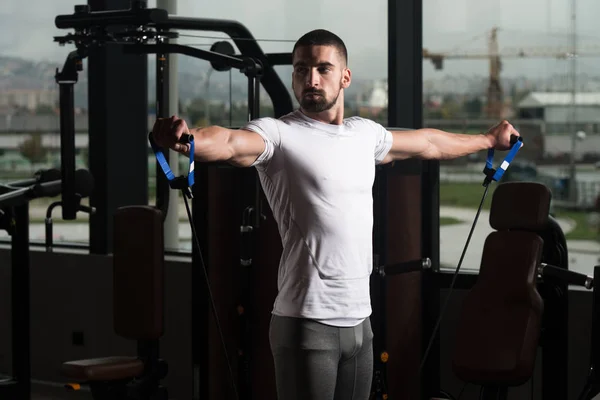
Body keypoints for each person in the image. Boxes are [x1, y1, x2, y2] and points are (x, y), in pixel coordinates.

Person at [151, 29, 520, 400]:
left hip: (361, 325)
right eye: (301, 69)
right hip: (307, 323)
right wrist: (187, 140)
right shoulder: (278, 135)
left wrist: (487, 140)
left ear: (345, 76)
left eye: (323, 68)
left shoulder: (365, 135)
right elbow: (230, 143)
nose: (311, 79)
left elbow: (428, 142)